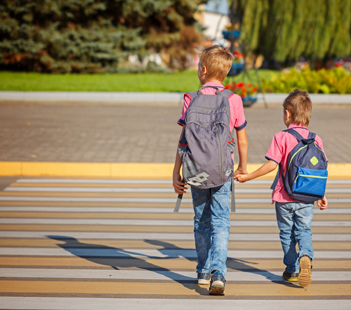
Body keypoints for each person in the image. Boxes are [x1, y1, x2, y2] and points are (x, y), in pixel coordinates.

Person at [172, 45, 248, 295]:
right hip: (223, 170)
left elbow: (183, 140)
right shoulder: (233, 99)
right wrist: (243, 167)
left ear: (203, 70)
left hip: (196, 172)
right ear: (225, 73)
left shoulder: (190, 98)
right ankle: (219, 273)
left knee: (201, 221)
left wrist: (176, 172)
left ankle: (203, 271)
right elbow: (242, 140)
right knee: (221, 221)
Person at [235, 89, 328, 287]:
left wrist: (248, 177)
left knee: (286, 233)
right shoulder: (316, 139)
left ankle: (292, 269)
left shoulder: (281, 137)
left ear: (287, 114)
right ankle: (306, 256)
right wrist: (321, 194)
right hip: (307, 197)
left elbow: (271, 165)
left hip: (284, 197)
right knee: (304, 230)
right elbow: (318, 171)